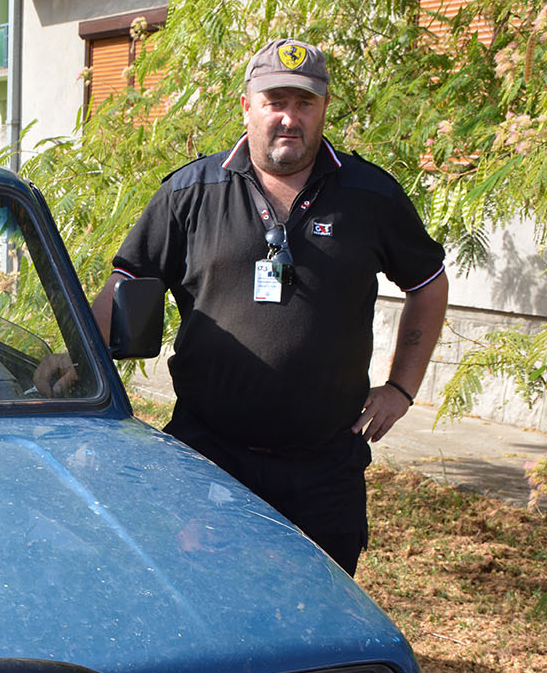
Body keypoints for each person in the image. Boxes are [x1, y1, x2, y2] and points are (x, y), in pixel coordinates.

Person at [39, 38, 448, 576]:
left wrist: (401, 389)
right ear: (247, 105)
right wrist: (77, 357)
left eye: (304, 103)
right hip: (210, 457)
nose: (289, 118)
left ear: (324, 108)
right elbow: (130, 281)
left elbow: (428, 282)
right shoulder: (190, 193)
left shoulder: (370, 196)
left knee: (320, 611)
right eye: (275, 101)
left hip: (325, 463)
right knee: (206, 599)